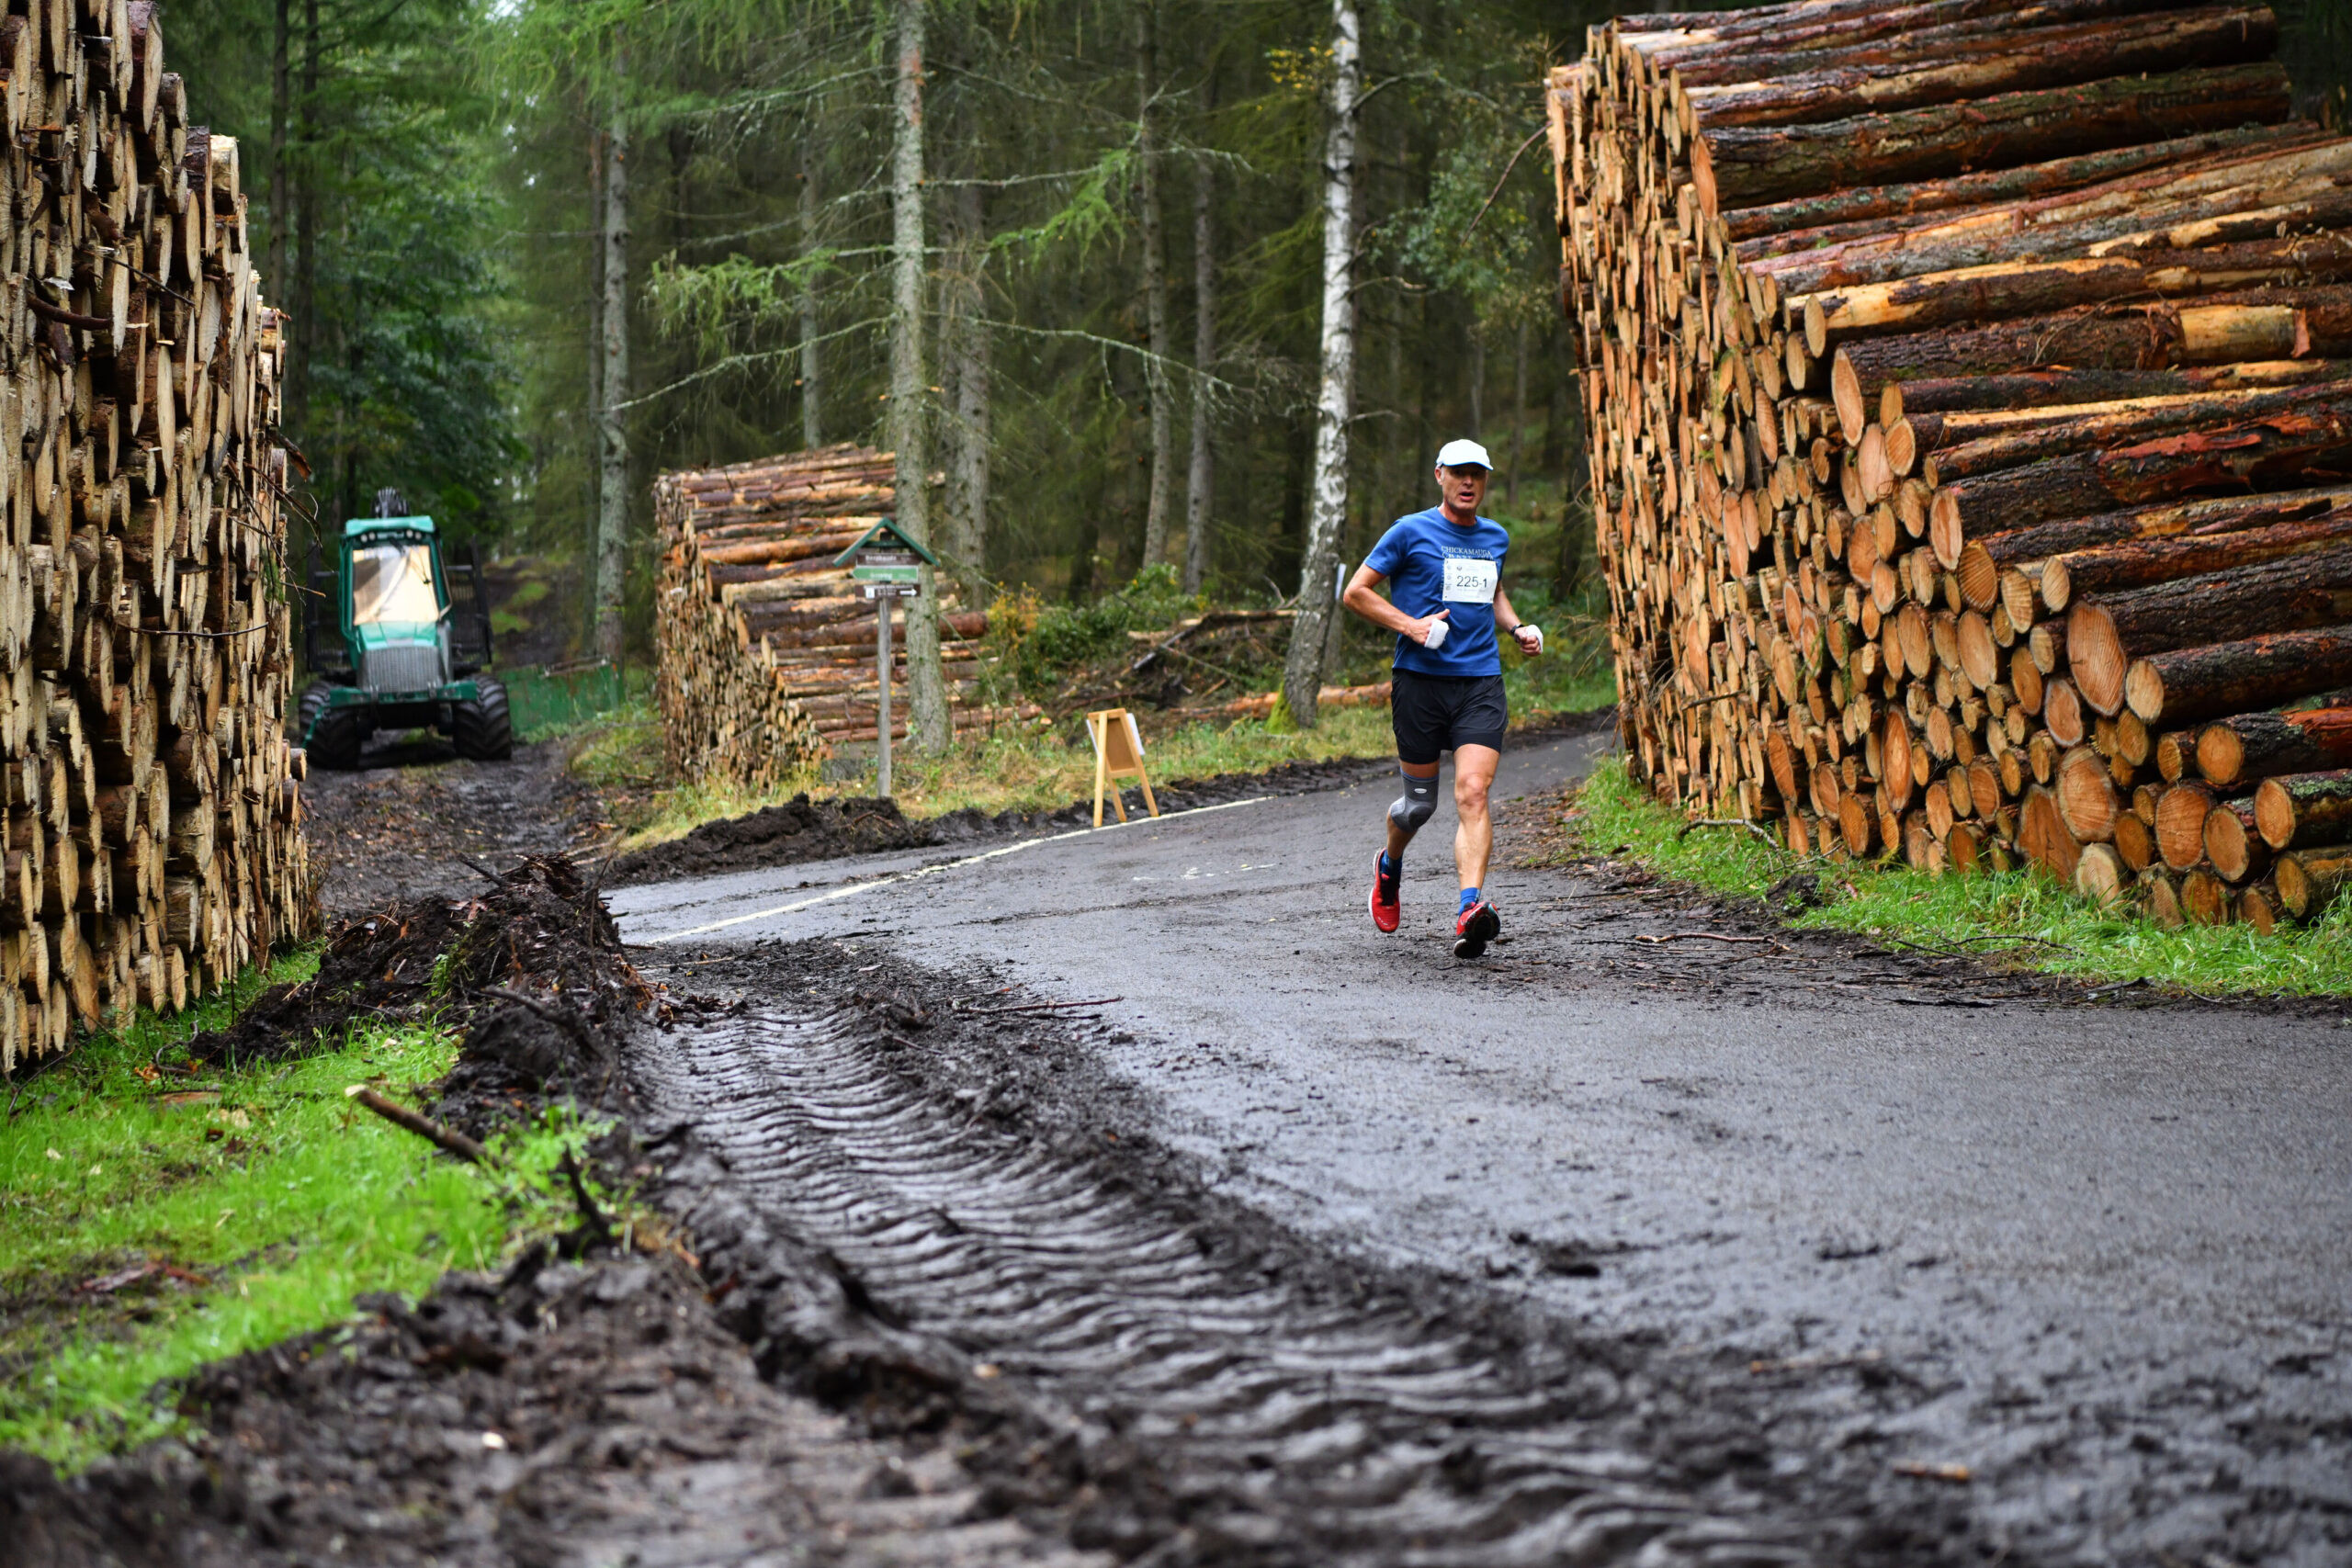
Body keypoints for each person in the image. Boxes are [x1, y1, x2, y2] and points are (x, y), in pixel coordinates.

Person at [1341, 440, 1543, 958]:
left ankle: (1469, 910)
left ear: (1485, 479)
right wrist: (1411, 626)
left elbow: (1493, 593)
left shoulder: (1495, 537)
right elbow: (1356, 592)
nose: (1468, 482)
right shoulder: (1409, 531)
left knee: (1473, 792)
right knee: (1419, 806)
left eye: (1477, 473)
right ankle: (1389, 867)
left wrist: (1516, 627)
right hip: (1420, 684)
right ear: (1439, 475)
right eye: (1458, 472)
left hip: (1480, 683)